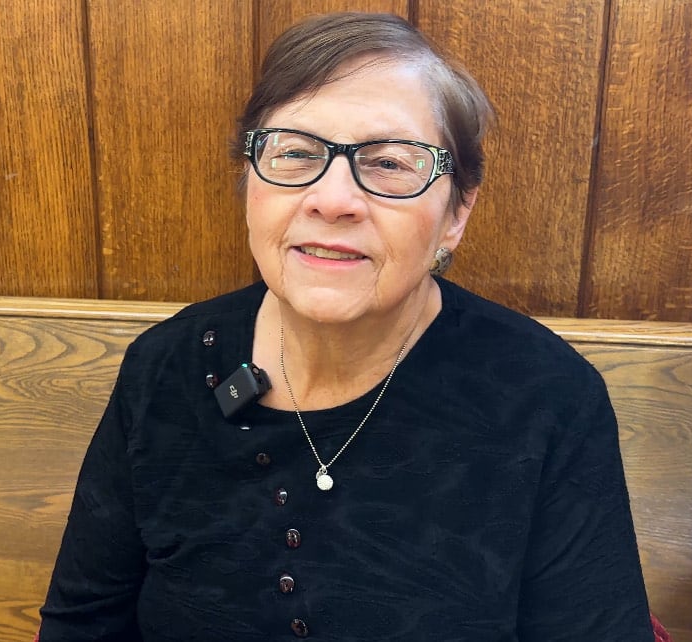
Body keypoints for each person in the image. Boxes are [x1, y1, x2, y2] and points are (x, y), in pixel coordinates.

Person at [39, 12, 655, 641]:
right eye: (296, 152)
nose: (333, 199)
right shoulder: (163, 367)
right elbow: (82, 623)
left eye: (389, 163)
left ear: (456, 213)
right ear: (249, 179)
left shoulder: (548, 396)